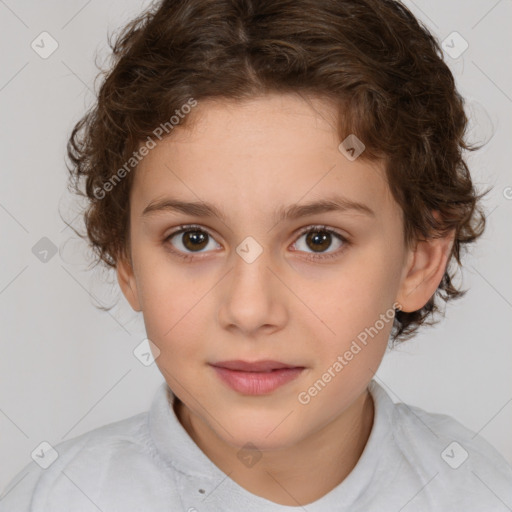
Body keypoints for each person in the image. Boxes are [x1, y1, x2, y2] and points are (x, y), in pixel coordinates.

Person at [2, 0, 511, 510]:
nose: (249, 311)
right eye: (194, 239)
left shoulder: (480, 492)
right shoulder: (58, 498)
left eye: (318, 240)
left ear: (419, 260)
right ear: (127, 260)